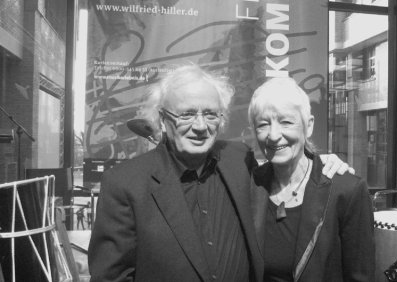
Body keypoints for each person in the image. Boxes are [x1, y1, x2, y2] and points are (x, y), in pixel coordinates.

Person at [88, 64, 351, 282]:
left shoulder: (238, 160)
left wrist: (320, 161)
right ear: (163, 119)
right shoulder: (125, 183)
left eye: (211, 114)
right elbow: (111, 277)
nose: (200, 126)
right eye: (187, 114)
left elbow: (286, 168)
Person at [248, 77, 375, 282]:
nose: (273, 135)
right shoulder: (250, 185)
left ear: (309, 126)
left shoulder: (346, 191)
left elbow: (360, 275)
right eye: (263, 124)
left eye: (286, 122)